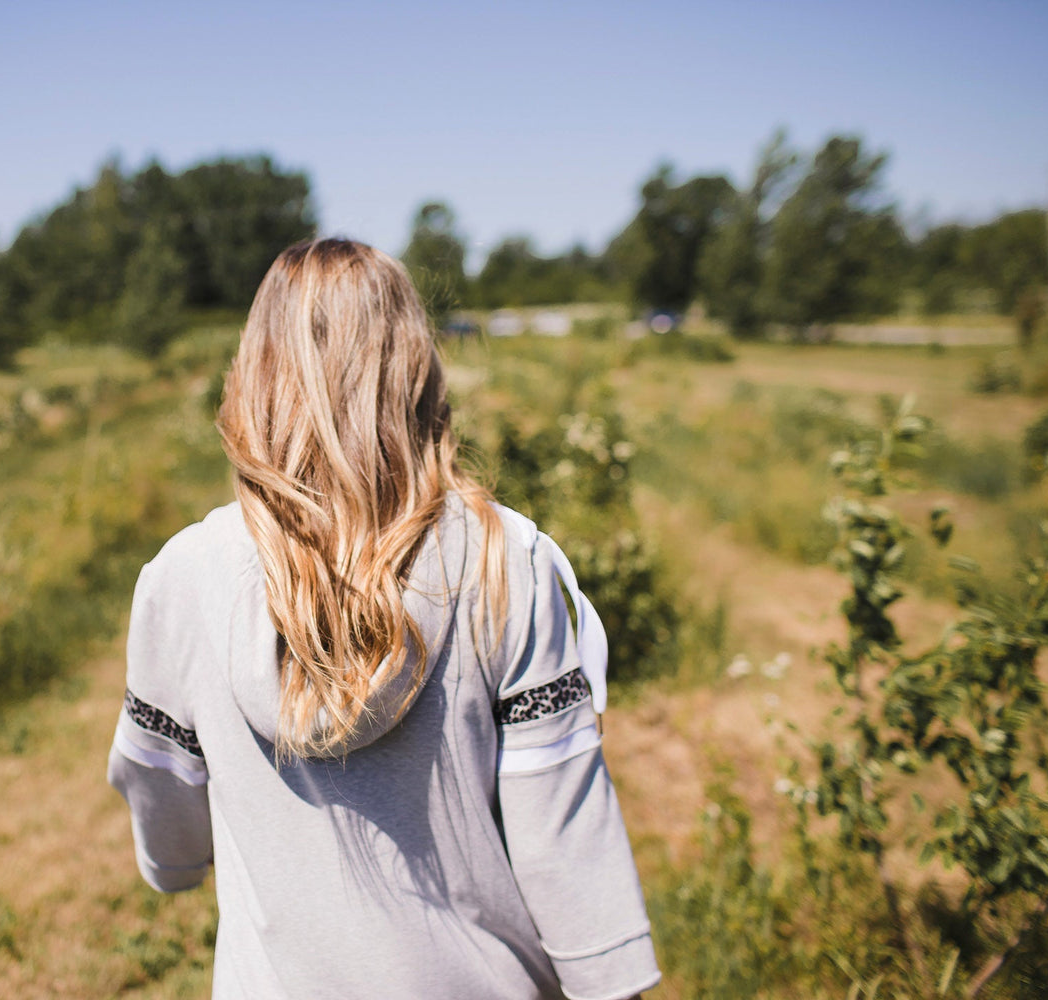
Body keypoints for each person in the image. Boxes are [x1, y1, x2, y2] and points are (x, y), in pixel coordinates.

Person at [107, 238, 661, 999]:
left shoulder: (184, 575)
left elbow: (164, 813)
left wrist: (172, 861)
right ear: (414, 367)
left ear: (256, 369)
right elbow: (563, 833)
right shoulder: (504, 559)